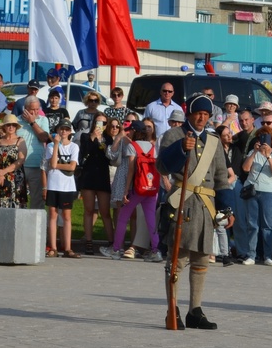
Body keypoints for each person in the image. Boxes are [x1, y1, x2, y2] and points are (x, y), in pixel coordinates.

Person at [158, 95, 233, 330]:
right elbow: (162, 166)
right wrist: (181, 148)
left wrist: (227, 208)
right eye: (198, 113)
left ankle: (195, 310)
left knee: (202, 259)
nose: (202, 118)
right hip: (183, 202)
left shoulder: (213, 140)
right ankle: (173, 308)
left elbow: (221, 176)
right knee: (177, 260)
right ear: (189, 113)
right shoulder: (175, 135)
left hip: (205, 206)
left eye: (206, 114)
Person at [104, 120, 162, 262]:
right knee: (151, 220)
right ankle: (155, 250)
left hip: (136, 189)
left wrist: (125, 191)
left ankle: (116, 249)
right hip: (150, 189)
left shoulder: (132, 146)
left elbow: (131, 169)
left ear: (135, 132)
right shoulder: (153, 147)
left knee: (123, 218)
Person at [238, 124, 272, 265]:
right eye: (260, 137)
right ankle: (251, 255)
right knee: (252, 224)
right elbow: (245, 168)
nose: (263, 140)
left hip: (269, 192)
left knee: (267, 225)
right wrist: (254, 153)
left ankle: (268, 256)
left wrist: (268, 155)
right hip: (252, 191)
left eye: (266, 137)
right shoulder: (254, 151)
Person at [76, 112, 114, 254]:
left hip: (102, 176)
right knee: (89, 210)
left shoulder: (108, 138)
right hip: (88, 175)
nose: (101, 126)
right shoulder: (86, 136)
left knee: (105, 211)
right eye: (98, 123)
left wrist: (103, 143)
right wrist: (93, 137)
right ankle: (89, 242)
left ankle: (112, 242)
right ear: (93, 123)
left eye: (104, 123)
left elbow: (109, 158)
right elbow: (84, 152)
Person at [44, 120, 80, 257]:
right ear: (58, 130)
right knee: (52, 214)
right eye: (61, 129)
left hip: (67, 185)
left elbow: (72, 167)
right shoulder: (51, 146)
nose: (63, 132)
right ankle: (53, 247)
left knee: (66, 215)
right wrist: (57, 144)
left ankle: (68, 247)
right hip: (53, 184)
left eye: (66, 129)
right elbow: (52, 163)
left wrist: (58, 165)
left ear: (70, 131)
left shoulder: (74, 147)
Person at [17, 96, 50, 210]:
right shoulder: (16, 121)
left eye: (37, 109)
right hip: (19, 165)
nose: (36, 112)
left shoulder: (43, 120)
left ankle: (36, 226)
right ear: (25, 109)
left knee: (37, 200)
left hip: (36, 165)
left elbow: (44, 138)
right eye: (33, 109)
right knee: (18, 199)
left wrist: (32, 123)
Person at [0, 113, 27, 208]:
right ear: (4, 126)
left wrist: (3, 172)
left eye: (13, 125)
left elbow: (20, 160)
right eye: (8, 125)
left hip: (14, 178)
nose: (11, 127)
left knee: (15, 206)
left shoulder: (20, 141)